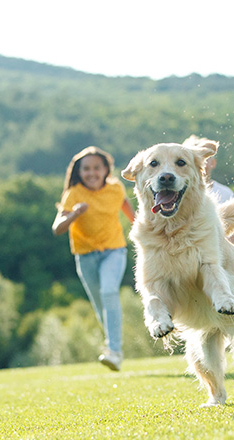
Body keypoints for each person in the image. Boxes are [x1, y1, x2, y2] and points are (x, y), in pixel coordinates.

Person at [52, 146, 135, 370]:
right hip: (85, 256)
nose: (92, 173)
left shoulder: (116, 188)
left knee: (109, 293)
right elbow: (57, 228)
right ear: (79, 172)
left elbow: (131, 215)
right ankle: (112, 346)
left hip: (114, 251)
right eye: (86, 169)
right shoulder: (74, 194)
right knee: (101, 307)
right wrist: (75, 214)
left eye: (97, 168)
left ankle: (114, 352)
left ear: (106, 169)